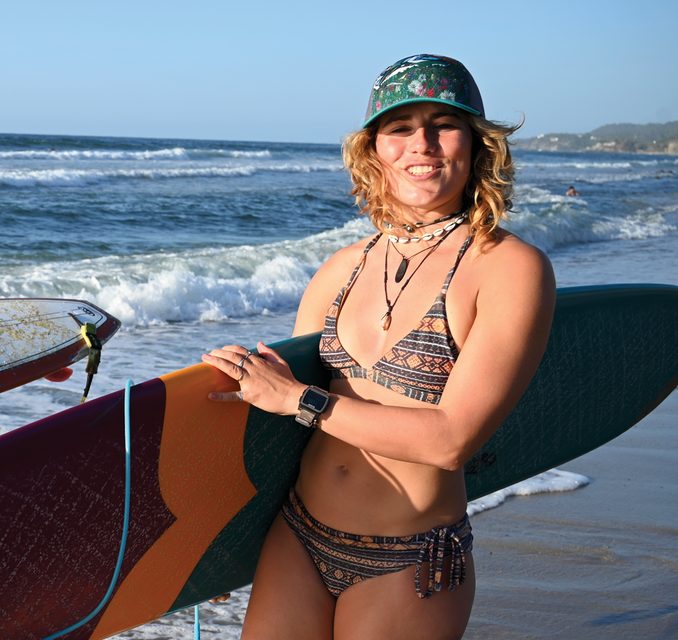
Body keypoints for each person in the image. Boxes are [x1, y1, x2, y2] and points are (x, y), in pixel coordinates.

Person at [203, 54, 556, 638]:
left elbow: (450, 439)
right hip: (297, 535)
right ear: (373, 151)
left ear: (476, 143)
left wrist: (299, 400)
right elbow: (276, 432)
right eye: (399, 128)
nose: (423, 143)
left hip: (410, 557)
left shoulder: (510, 269)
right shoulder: (341, 267)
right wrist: (213, 548)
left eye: (444, 123)